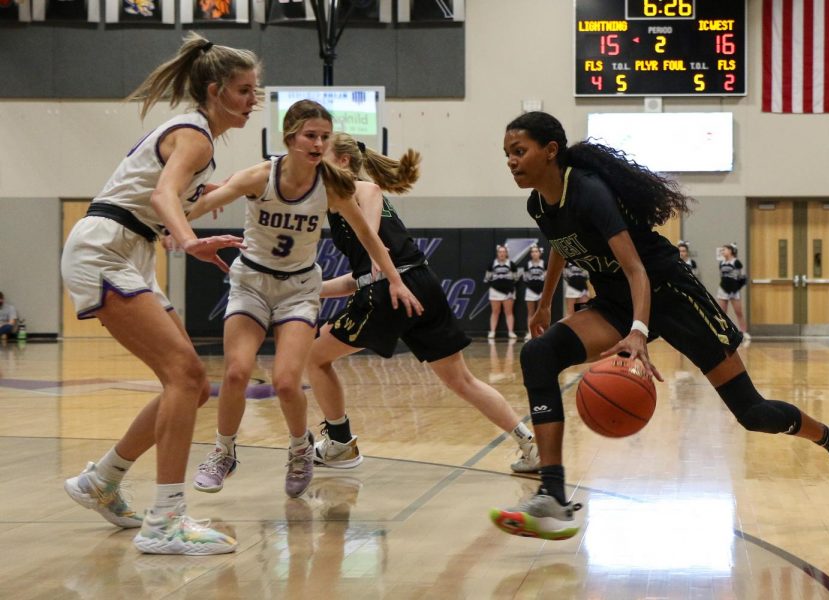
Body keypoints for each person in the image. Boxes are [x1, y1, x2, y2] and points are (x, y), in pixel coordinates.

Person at [490, 111, 829, 541]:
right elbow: (563, 244)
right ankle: (553, 497)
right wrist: (543, 306)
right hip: (617, 302)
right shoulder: (539, 203)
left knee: (752, 412)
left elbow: (637, 271)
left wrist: (638, 331)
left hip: (671, 294)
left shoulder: (589, 190)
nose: (511, 161)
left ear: (550, 151)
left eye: (519, 151)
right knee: (538, 354)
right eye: (507, 154)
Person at [61, 33, 258, 555]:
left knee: (192, 387)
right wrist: (189, 240)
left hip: (133, 250)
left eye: (255, 89)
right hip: (106, 248)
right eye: (243, 89)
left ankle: (101, 481)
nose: (252, 99)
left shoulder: (200, 146)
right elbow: (161, 194)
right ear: (214, 90)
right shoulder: (194, 135)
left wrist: (196, 216)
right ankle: (165, 520)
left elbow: (165, 206)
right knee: (186, 375)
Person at [189, 102, 423, 498]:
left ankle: (299, 450)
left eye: (324, 137)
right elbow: (203, 203)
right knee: (235, 373)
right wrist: (170, 229)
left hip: (298, 290)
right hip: (252, 284)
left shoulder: (332, 185)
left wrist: (397, 281)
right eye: (310, 135)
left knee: (284, 381)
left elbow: (369, 236)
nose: (318, 143)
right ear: (290, 137)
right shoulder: (260, 176)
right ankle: (223, 451)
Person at [306, 132, 540, 474]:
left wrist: (375, 252)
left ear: (342, 162)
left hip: (393, 288)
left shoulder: (361, 189)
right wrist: (311, 290)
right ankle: (529, 443)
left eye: (321, 153)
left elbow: (373, 243)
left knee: (314, 357)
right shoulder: (343, 202)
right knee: (462, 380)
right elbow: (361, 276)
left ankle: (340, 444)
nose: (313, 159)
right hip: (418, 284)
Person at [485, 245, 518, 340]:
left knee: (509, 312)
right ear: (497, 253)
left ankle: (511, 332)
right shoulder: (491, 264)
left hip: (508, 292)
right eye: (500, 252)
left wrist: (507, 285)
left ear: (507, 253)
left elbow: (515, 278)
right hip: (495, 291)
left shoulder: (512, 264)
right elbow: (487, 278)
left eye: (504, 252)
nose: (502, 254)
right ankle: (492, 332)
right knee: (495, 312)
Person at [716, 243, 748, 340]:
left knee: (738, 312)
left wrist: (736, 287)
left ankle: (743, 332)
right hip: (723, 289)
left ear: (731, 251)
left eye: (724, 250)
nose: (723, 252)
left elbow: (743, 278)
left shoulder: (736, 262)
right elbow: (722, 276)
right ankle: (724, 331)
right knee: (722, 312)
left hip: (734, 290)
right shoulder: (721, 263)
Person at [522, 245, 546, 342]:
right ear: (530, 254)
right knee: (531, 313)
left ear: (540, 253)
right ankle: (530, 332)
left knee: (541, 312)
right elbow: (525, 278)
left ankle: (541, 332)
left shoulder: (544, 264)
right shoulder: (527, 265)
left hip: (542, 291)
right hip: (530, 291)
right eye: (532, 252)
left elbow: (547, 278)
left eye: (536, 251)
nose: (534, 253)